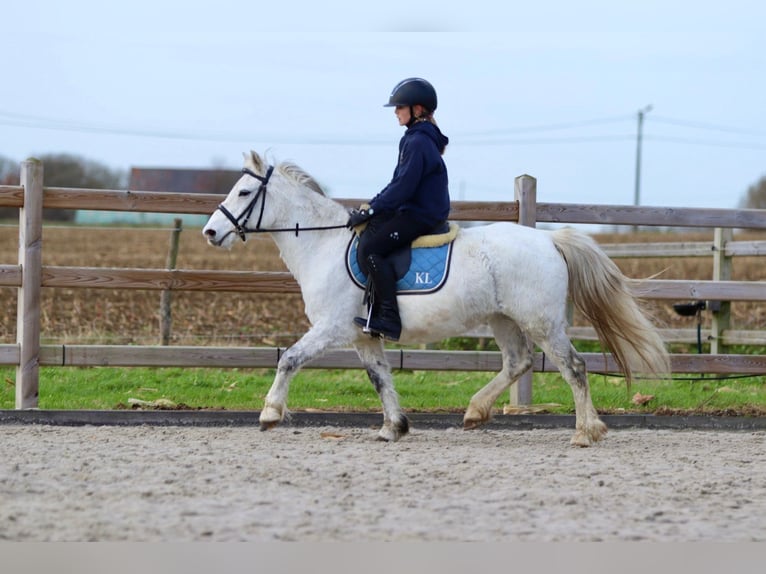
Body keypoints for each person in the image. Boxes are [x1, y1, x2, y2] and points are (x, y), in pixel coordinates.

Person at [346, 77, 451, 341]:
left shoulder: (417, 142)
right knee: (373, 234)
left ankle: (389, 318)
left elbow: (403, 187)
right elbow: (397, 184)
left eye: (399, 107)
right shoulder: (417, 138)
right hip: (414, 211)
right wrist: (373, 207)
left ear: (417, 109)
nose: (395, 112)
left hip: (420, 216)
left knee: (371, 249)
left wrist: (371, 211)